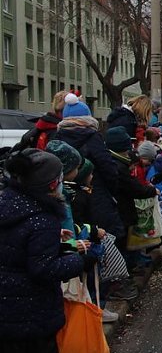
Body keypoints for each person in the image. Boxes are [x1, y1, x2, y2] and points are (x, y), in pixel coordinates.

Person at [0, 149, 93, 353]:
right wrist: (78, 258)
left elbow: (16, 249)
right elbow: (44, 269)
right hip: (33, 316)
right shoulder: (43, 218)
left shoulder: (8, 204)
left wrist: (53, 242)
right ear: (53, 184)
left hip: (7, 316)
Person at [54, 94, 123, 242]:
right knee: (106, 238)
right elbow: (107, 166)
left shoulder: (57, 138)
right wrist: (113, 190)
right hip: (96, 193)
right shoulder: (92, 137)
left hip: (67, 195)